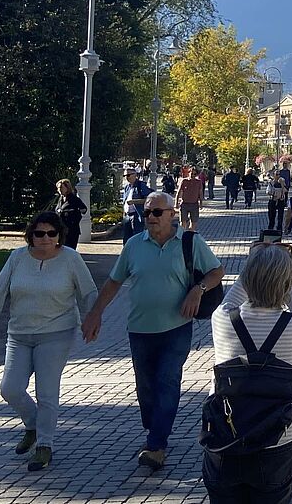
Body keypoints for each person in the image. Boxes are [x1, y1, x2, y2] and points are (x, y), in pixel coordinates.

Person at [82, 192, 224, 471]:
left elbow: (217, 271)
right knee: (146, 388)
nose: (150, 218)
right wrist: (95, 313)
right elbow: (113, 282)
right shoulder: (134, 245)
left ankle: (156, 444)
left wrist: (198, 289)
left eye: (157, 213)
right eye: (147, 213)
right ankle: (155, 428)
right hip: (140, 329)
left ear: (172, 214)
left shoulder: (189, 242)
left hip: (176, 328)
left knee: (167, 381)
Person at [0, 212, 97, 472]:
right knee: (10, 388)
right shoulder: (17, 257)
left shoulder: (70, 259)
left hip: (57, 332)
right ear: (31, 235)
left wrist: (92, 319)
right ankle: (32, 424)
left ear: (59, 236)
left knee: (47, 392)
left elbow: (89, 291)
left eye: (51, 233)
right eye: (39, 233)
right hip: (19, 333)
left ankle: (44, 445)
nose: (45, 239)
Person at [205, 243, 292, 504]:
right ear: (288, 281)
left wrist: (255, 265)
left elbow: (232, 298)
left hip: (226, 434)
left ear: (247, 278)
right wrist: (284, 275)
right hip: (280, 437)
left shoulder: (223, 319)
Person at [55, 178, 88, 250]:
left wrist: (71, 213)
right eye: (58, 188)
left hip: (71, 230)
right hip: (61, 229)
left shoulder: (74, 199)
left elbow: (84, 209)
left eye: (61, 188)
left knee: (70, 250)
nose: (59, 190)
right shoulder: (60, 199)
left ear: (67, 188)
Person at [122, 168, 150, 243]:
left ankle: (137, 253)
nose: (126, 177)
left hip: (137, 215)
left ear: (135, 175)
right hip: (127, 215)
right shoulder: (126, 187)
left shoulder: (141, 185)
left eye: (128, 175)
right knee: (126, 238)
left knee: (136, 237)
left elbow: (149, 199)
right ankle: (127, 253)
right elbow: (124, 202)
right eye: (124, 175)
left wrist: (134, 201)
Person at [178, 167, 205, 232]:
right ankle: (182, 235)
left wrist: (201, 203)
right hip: (184, 204)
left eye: (194, 174)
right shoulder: (184, 181)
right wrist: (176, 203)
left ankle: (190, 235)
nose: (193, 175)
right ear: (189, 172)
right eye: (191, 173)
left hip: (194, 204)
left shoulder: (198, 182)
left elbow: (200, 193)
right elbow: (179, 191)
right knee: (183, 221)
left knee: (193, 222)